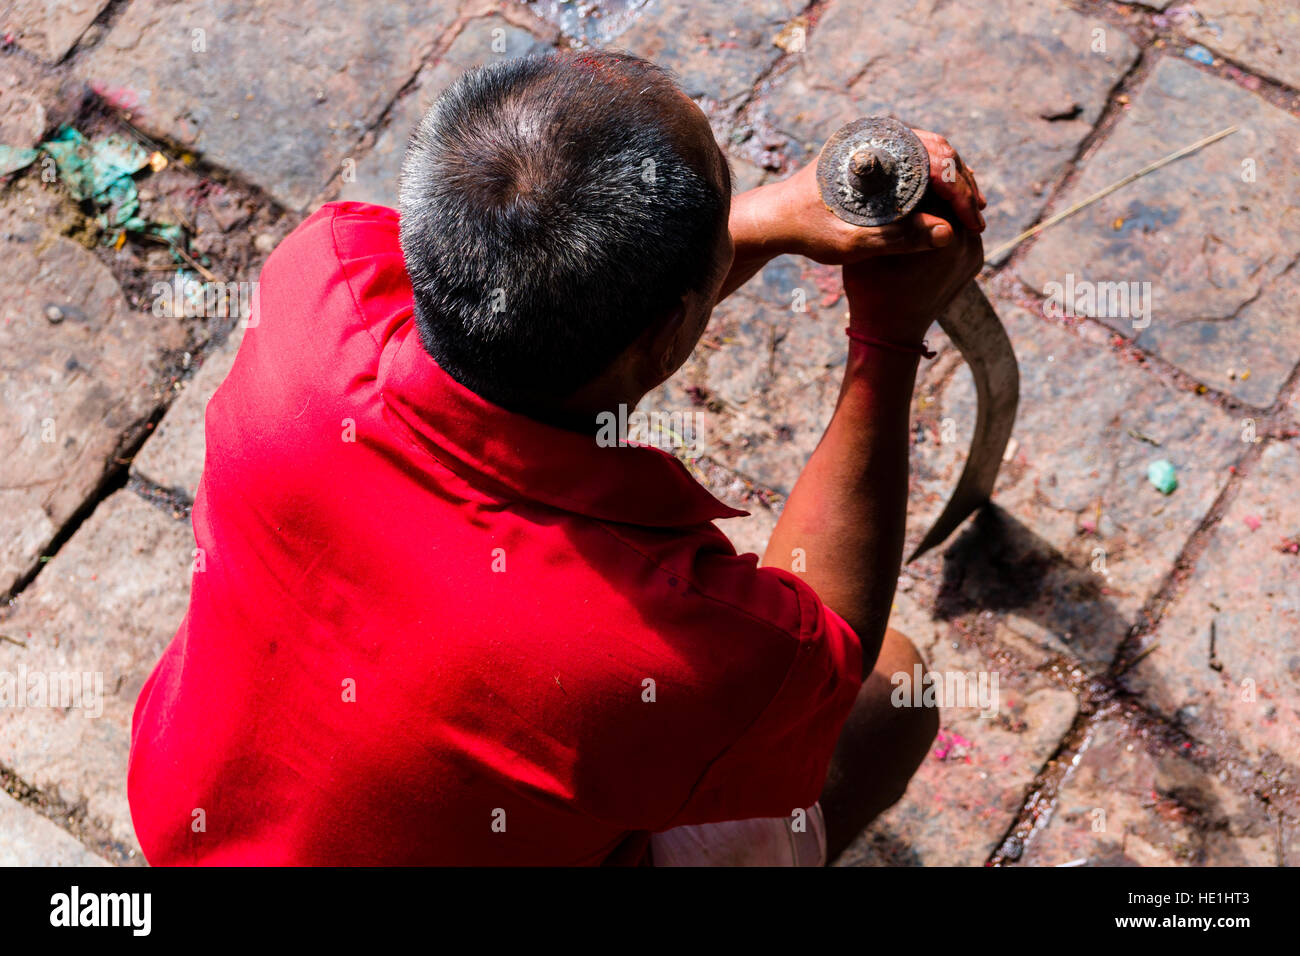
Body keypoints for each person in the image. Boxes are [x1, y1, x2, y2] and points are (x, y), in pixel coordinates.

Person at [128, 49, 986, 866]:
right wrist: (888, 333)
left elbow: (529, 311)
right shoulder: (660, 653)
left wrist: (761, 220)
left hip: (195, 823)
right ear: (670, 333)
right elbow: (825, 645)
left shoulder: (321, 279)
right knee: (885, 697)